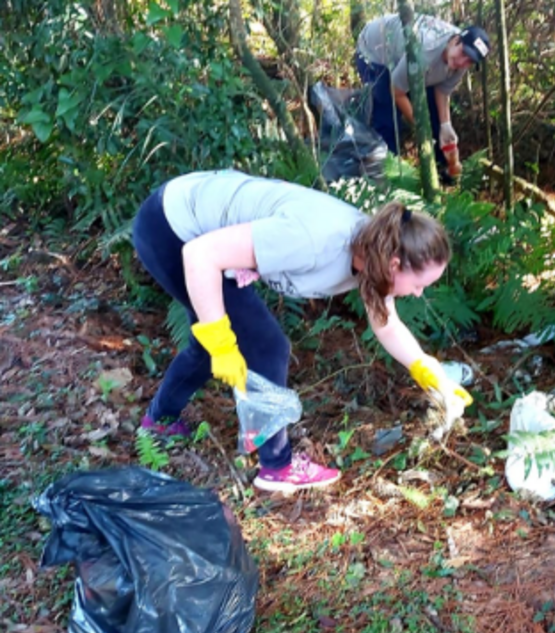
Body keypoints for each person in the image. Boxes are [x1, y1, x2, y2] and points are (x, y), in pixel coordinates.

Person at [133, 168, 472, 492]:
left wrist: (430, 372)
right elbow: (200, 255)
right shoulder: (315, 240)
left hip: (202, 235)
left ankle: (159, 421)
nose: (419, 293)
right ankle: (277, 467)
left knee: (230, 338)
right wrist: (221, 344)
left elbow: (387, 324)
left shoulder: (376, 253)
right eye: (419, 284)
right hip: (171, 228)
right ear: (396, 264)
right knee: (266, 346)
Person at [355, 14, 490, 180]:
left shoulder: (460, 61)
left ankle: (442, 172)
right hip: (375, 52)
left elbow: (442, 91)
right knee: (388, 120)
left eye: (469, 61)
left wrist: (445, 125)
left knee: (434, 115)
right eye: (463, 54)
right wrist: (419, 126)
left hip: (404, 57)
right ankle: (386, 179)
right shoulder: (425, 51)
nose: (463, 62)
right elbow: (396, 91)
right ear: (455, 41)